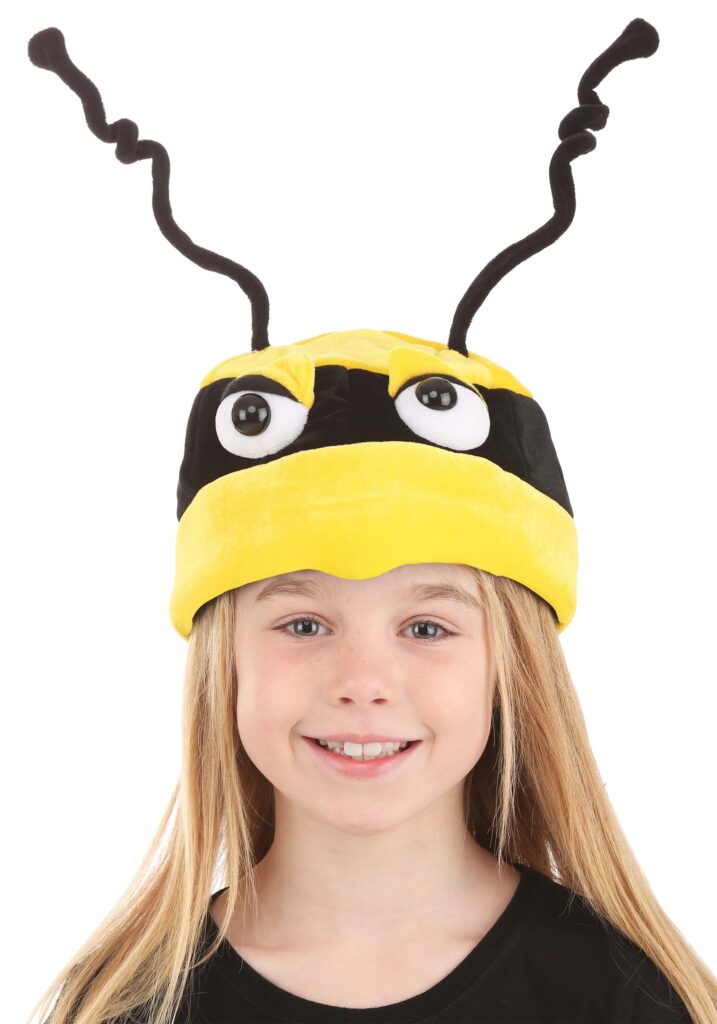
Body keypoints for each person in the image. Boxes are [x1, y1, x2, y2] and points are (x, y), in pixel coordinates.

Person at [25, 17, 716, 1024]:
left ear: (512, 664)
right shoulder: (128, 1004)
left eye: (426, 625)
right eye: (303, 622)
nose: (362, 680)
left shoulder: (620, 998)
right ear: (223, 656)